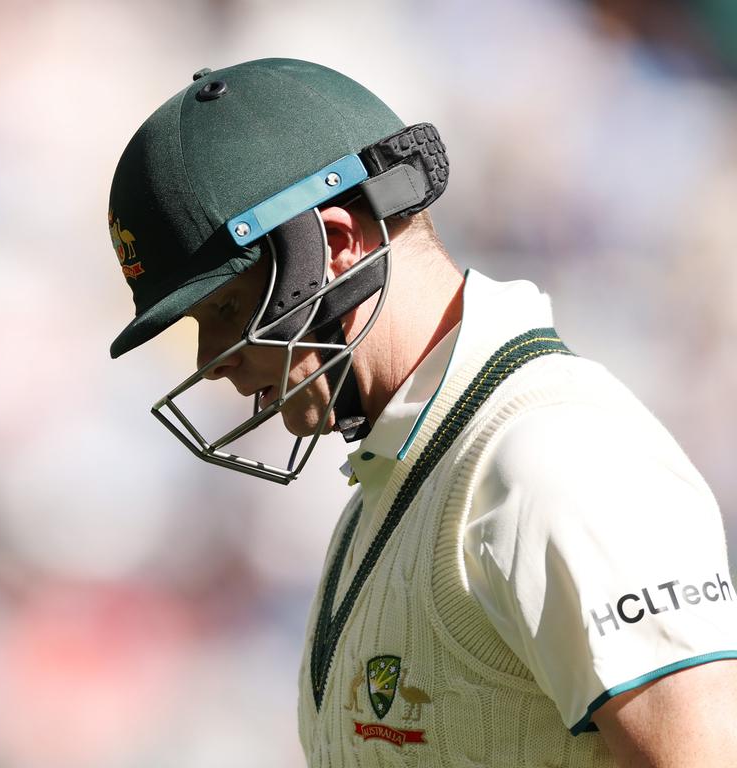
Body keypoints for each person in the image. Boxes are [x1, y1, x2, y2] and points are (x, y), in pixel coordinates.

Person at [105, 58, 737, 766]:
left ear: (337, 244)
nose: (211, 359)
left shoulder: (551, 459)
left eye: (224, 307)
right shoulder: (398, 476)